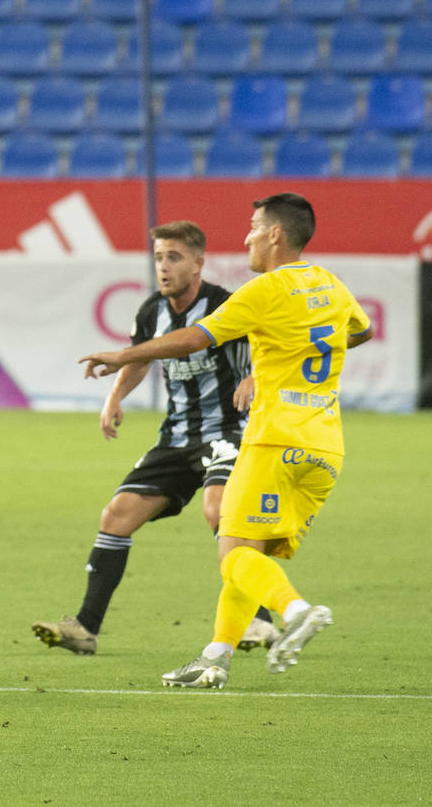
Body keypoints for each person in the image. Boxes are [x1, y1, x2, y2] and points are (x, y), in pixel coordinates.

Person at [80, 193, 373, 689]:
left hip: (273, 442)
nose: (247, 236)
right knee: (249, 556)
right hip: (324, 448)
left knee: (234, 555)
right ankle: (216, 657)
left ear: (276, 234)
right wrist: (295, 349)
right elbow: (360, 333)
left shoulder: (265, 290)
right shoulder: (329, 284)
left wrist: (122, 354)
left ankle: (295, 610)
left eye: (255, 227)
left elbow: (196, 338)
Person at [33, 221, 279, 656]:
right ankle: (86, 628)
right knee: (116, 515)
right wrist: (115, 396)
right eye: (158, 258)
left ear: (198, 263)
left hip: (226, 431)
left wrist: (258, 376)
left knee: (218, 508)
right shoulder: (152, 310)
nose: (163, 267)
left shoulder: (228, 305)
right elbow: (143, 356)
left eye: (174, 257)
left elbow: (278, 343)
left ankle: (258, 619)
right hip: (176, 437)